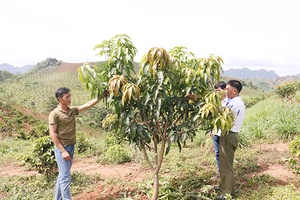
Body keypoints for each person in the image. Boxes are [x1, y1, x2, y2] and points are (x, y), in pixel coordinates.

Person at [49, 87, 108, 200]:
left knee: (62, 176)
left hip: (71, 146)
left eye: (70, 96)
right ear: (59, 99)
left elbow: (87, 105)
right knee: (66, 177)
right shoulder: (55, 114)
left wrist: (101, 96)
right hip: (63, 149)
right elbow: (52, 134)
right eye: (67, 97)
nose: (69, 99)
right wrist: (63, 151)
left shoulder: (72, 110)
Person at [217, 80, 246, 200]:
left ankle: (227, 194)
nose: (225, 91)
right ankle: (224, 187)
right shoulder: (234, 101)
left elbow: (219, 113)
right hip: (229, 135)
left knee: (226, 166)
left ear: (234, 91)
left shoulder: (235, 103)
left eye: (227, 89)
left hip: (229, 136)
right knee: (225, 163)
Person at [210, 81, 230, 180]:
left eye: (219, 90)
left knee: (224, 153)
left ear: (224, 90)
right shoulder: (216, 102)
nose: (217, 93)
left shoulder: (229, 102)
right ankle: (220, 172)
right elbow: (213, 117)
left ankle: (226, 173)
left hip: (224, 132)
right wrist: (211, 130)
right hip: (215, 132)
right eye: (216, 91)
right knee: (217, 153)